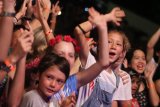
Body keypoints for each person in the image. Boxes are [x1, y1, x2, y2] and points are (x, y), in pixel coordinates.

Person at [74, 7, 132, 107]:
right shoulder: (89, 61)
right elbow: (78, 31)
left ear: (122, 53)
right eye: (109, 42)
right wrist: (105, 18)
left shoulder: (117, 80)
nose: (113, 46)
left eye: (118, 44)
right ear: (100, 45)